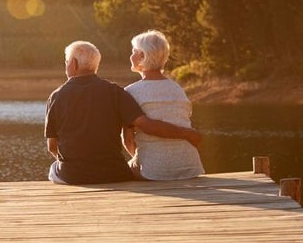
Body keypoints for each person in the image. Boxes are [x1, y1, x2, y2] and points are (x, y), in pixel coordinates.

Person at [45, 40, 202, 185]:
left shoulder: (56, 96)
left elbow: (52, 147)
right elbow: (145, 124)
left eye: (66, 62)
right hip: (114, 173)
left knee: (53, 169)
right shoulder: (116, 92)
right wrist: (186, 133)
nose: (66, 66)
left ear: (74, 64)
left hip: (73, 175)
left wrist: (75, 165)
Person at [122, 30, 205, 180]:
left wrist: (144, 159)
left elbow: (127, 140)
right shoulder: (178, 89)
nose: (130, 56)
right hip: (190, 166)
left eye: (134, 52)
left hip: (154, 171)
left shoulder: (130, 92)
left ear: (142, 56)